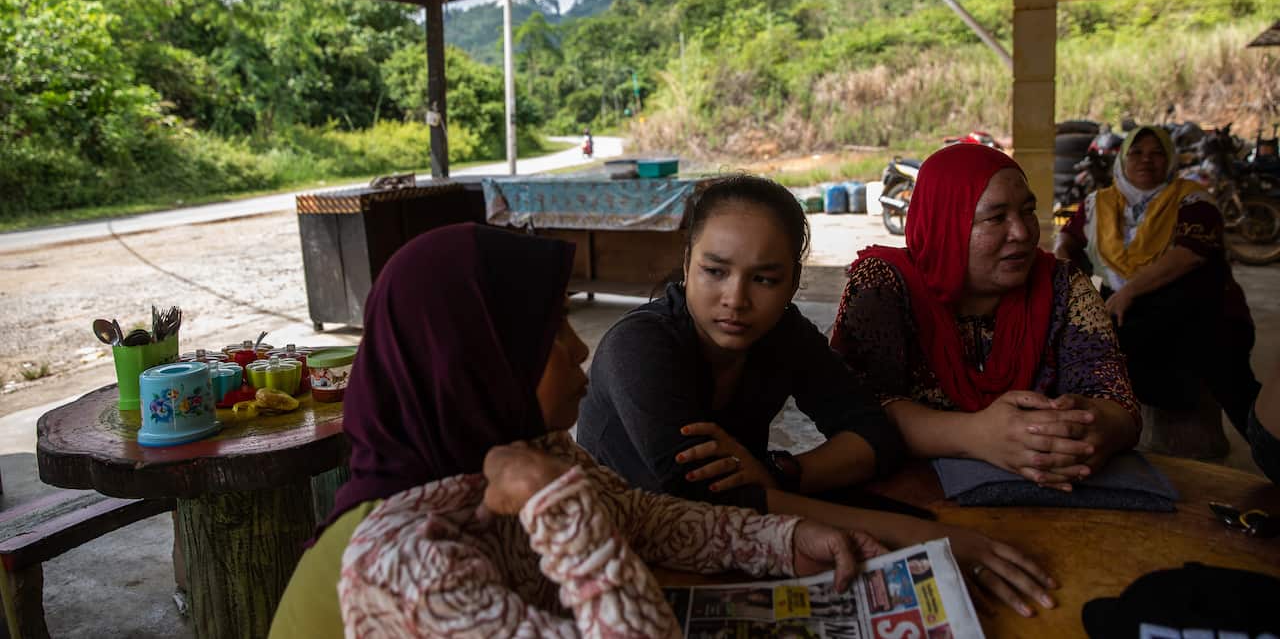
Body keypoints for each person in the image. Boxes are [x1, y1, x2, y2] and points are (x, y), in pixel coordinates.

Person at [270, 223, 879, 638]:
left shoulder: (517, 453)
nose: (580, 348)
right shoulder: (404, 559)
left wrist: (786, 540)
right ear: (476, 363)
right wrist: (553, 503)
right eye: (551, 333)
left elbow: (640, 519)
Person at [580, 174, 1061, 618]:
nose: (736, 299)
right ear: (687, 264)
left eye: (765, 279)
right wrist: (929, 538)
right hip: (626, 553)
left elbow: (872, 432)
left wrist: (779, 471)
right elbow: (703, 500)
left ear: (793, 282)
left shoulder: (783, 335)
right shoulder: (639, 348)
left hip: (751, 537)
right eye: (715, 271)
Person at [831, 143, 1141, 493]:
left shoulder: (1064, 286)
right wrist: (976, 435)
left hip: (1046, 492)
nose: (1022, 232)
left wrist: (1092, 430)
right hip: (910, 497)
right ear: (945, 224)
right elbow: (854, 406)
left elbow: (1117, 401)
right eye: (996, 218)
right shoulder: (885, 286)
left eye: (1027, 211)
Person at [1055, 125, 1260, 437]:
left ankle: (1268, 444)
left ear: (1170, 160)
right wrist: (1066, 273)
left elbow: (1190, 254)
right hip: (1136, 315)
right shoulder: (1100, 203)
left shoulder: (1191, 199)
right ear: (1122, 159)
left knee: (1228, 376)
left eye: (1156, 154)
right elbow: (1067, 239)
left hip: (1201, 314)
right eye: (1136, 153)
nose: (1145, 161)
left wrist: (1129, 292)